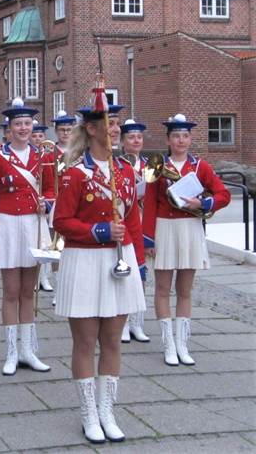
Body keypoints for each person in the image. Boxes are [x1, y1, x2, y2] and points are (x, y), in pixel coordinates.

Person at [53, 100, 145, 444]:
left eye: (117, 122)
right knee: (85, 341)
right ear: (91, 129)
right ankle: (88, 413)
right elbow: (61, 221)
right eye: (109, 122)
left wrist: (138, 261)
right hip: (85, 262)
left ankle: (108, 411)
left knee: (112, 341)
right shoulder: (75, 173)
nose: (115, 128)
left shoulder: (125, 171)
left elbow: (132, 218)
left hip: (120, 263)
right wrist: (99, 232)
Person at [143, 114, 230, 367]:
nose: (181, 140)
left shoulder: (200, 166)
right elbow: (149, 203)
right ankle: (168, 344)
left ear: (190, 139)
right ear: (168, 139)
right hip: (164, 228)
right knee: (161, 288)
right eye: (176, 136)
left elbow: (223, 194)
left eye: (185, 136)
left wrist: (202, 203)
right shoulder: (157, 165)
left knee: (184, 290)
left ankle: (183, 344)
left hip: (190, 227)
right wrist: (148, 238)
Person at [0, 98, 51, 376]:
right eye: (18, 124)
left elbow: (50, 190)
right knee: (11, 291)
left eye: (27, 123)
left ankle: (28, 350)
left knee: (29, 291)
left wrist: (47, 204)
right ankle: (11, 353)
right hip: (8, 224)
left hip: (33, 224)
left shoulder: (42, 156)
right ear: (8, 129)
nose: (23, 128)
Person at [119, 119, 150, 343]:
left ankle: (137, 322)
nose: (136, 141)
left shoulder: (150, 165)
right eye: (131, 137)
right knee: (125, 272)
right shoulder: (119, 164)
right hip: (127, 218)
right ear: (122, 141)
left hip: (144, 217)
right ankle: (122, 323)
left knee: (143, 273)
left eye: (139, 137)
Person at [39, 111, 76, 294]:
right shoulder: (48, 155)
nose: (66, 133)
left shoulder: (80, 153)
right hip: (56, 202)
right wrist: (49, 202)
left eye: (69, 130)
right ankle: (59, 288)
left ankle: (72, 285)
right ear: (56, 131)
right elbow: (46, 183)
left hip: (76, 205)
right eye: (62, 130)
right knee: (56, 247)